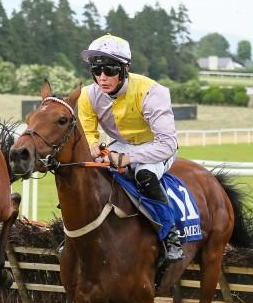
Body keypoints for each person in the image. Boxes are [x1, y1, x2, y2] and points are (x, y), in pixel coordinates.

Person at [77, 33, 184, 262]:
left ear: (125, 69)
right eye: (97, 71)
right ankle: (75, 235)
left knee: (144, 174)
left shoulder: (152, 92)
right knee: (87, 174)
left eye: (110, 70)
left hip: (156, 148)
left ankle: (170, 235)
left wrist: (127, 159)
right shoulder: (87, 95)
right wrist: (94, 146)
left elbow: (167, 144)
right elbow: (87, 131)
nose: (102, 77)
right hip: (120, 145)